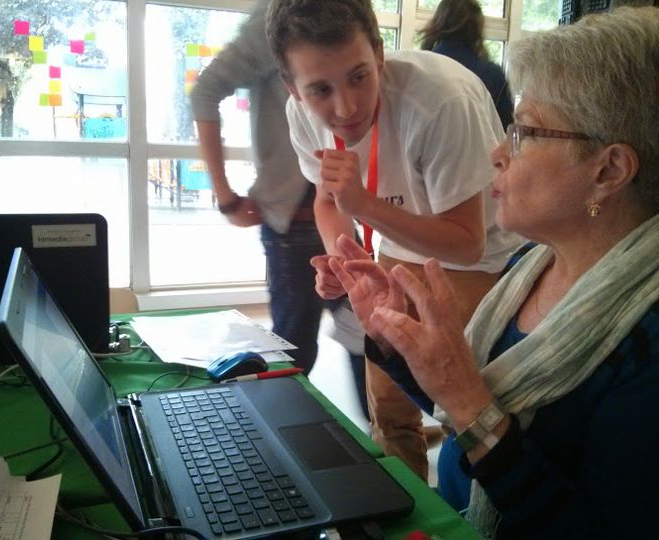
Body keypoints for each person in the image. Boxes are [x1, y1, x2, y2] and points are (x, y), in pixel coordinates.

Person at [326, 6, 659, 537]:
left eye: (526, 132)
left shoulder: (647, 343)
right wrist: (396, 339)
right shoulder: (532, 264)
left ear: (610, 169)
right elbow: (461, 414)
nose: (499, 154)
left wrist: (465, 398)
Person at [266, 0, 521, 479]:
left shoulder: (443, 102)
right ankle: (405, 517)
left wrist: (364, 207)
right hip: (396, 237)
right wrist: (345, 258)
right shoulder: (299, 112)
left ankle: (468, 509)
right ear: (292, 88)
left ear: (380, 54)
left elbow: (467, 243)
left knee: (460, 401)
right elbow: (328, 200)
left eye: (359, 76)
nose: (345, 107)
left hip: (480, 258)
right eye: (320, 89)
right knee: (388, 401)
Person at [191, 0, 369, 414]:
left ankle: (387, 437)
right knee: (295, 357)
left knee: (369, 333)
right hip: (297, 222)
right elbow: (205, 91)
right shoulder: (274, 20)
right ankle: (286, 453)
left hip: (345, 211)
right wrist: (226, 197)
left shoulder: (347, 13)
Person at [419, 0, 513, 129]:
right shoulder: (493, 75)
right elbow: (505, 130)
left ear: (438, 23)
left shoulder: (420, 68)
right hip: (480, 148)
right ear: (477, 29)